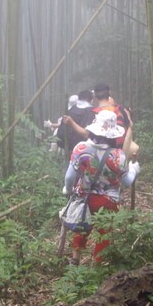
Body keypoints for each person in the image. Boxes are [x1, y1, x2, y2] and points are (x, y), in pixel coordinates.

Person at [62, 109, 140, 265]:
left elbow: (70, 176)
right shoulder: (118, 155)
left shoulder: (81, 148)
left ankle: (75, 260)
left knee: (81, 224)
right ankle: (97, 266)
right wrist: (135, 170)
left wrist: (68, 189)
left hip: (85, 196)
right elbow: (126, 182)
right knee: (104, 233)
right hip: (108, 200)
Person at [56, 90, 95, 154]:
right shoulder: (90, 110)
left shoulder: (71, 108)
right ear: (91, 100)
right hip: (80, 146)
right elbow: (87, 133)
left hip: (64, 142)